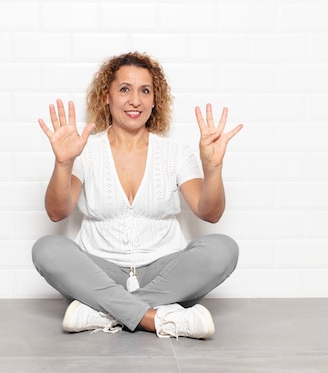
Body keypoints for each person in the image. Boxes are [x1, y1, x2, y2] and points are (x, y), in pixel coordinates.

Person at [32, 51, 243, 339]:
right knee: (46, 249)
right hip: (100, 272)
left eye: (145, 90)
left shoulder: (174, 153)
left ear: (155, 100)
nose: (135, 100)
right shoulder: (86, 150)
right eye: (124, 90)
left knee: (224, 249)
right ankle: (157, 317)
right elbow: (57, 212)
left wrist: (213, 168)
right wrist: (64, 163)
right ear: (106, 97)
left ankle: (106, 312)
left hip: (164, 272)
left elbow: (210, 213)